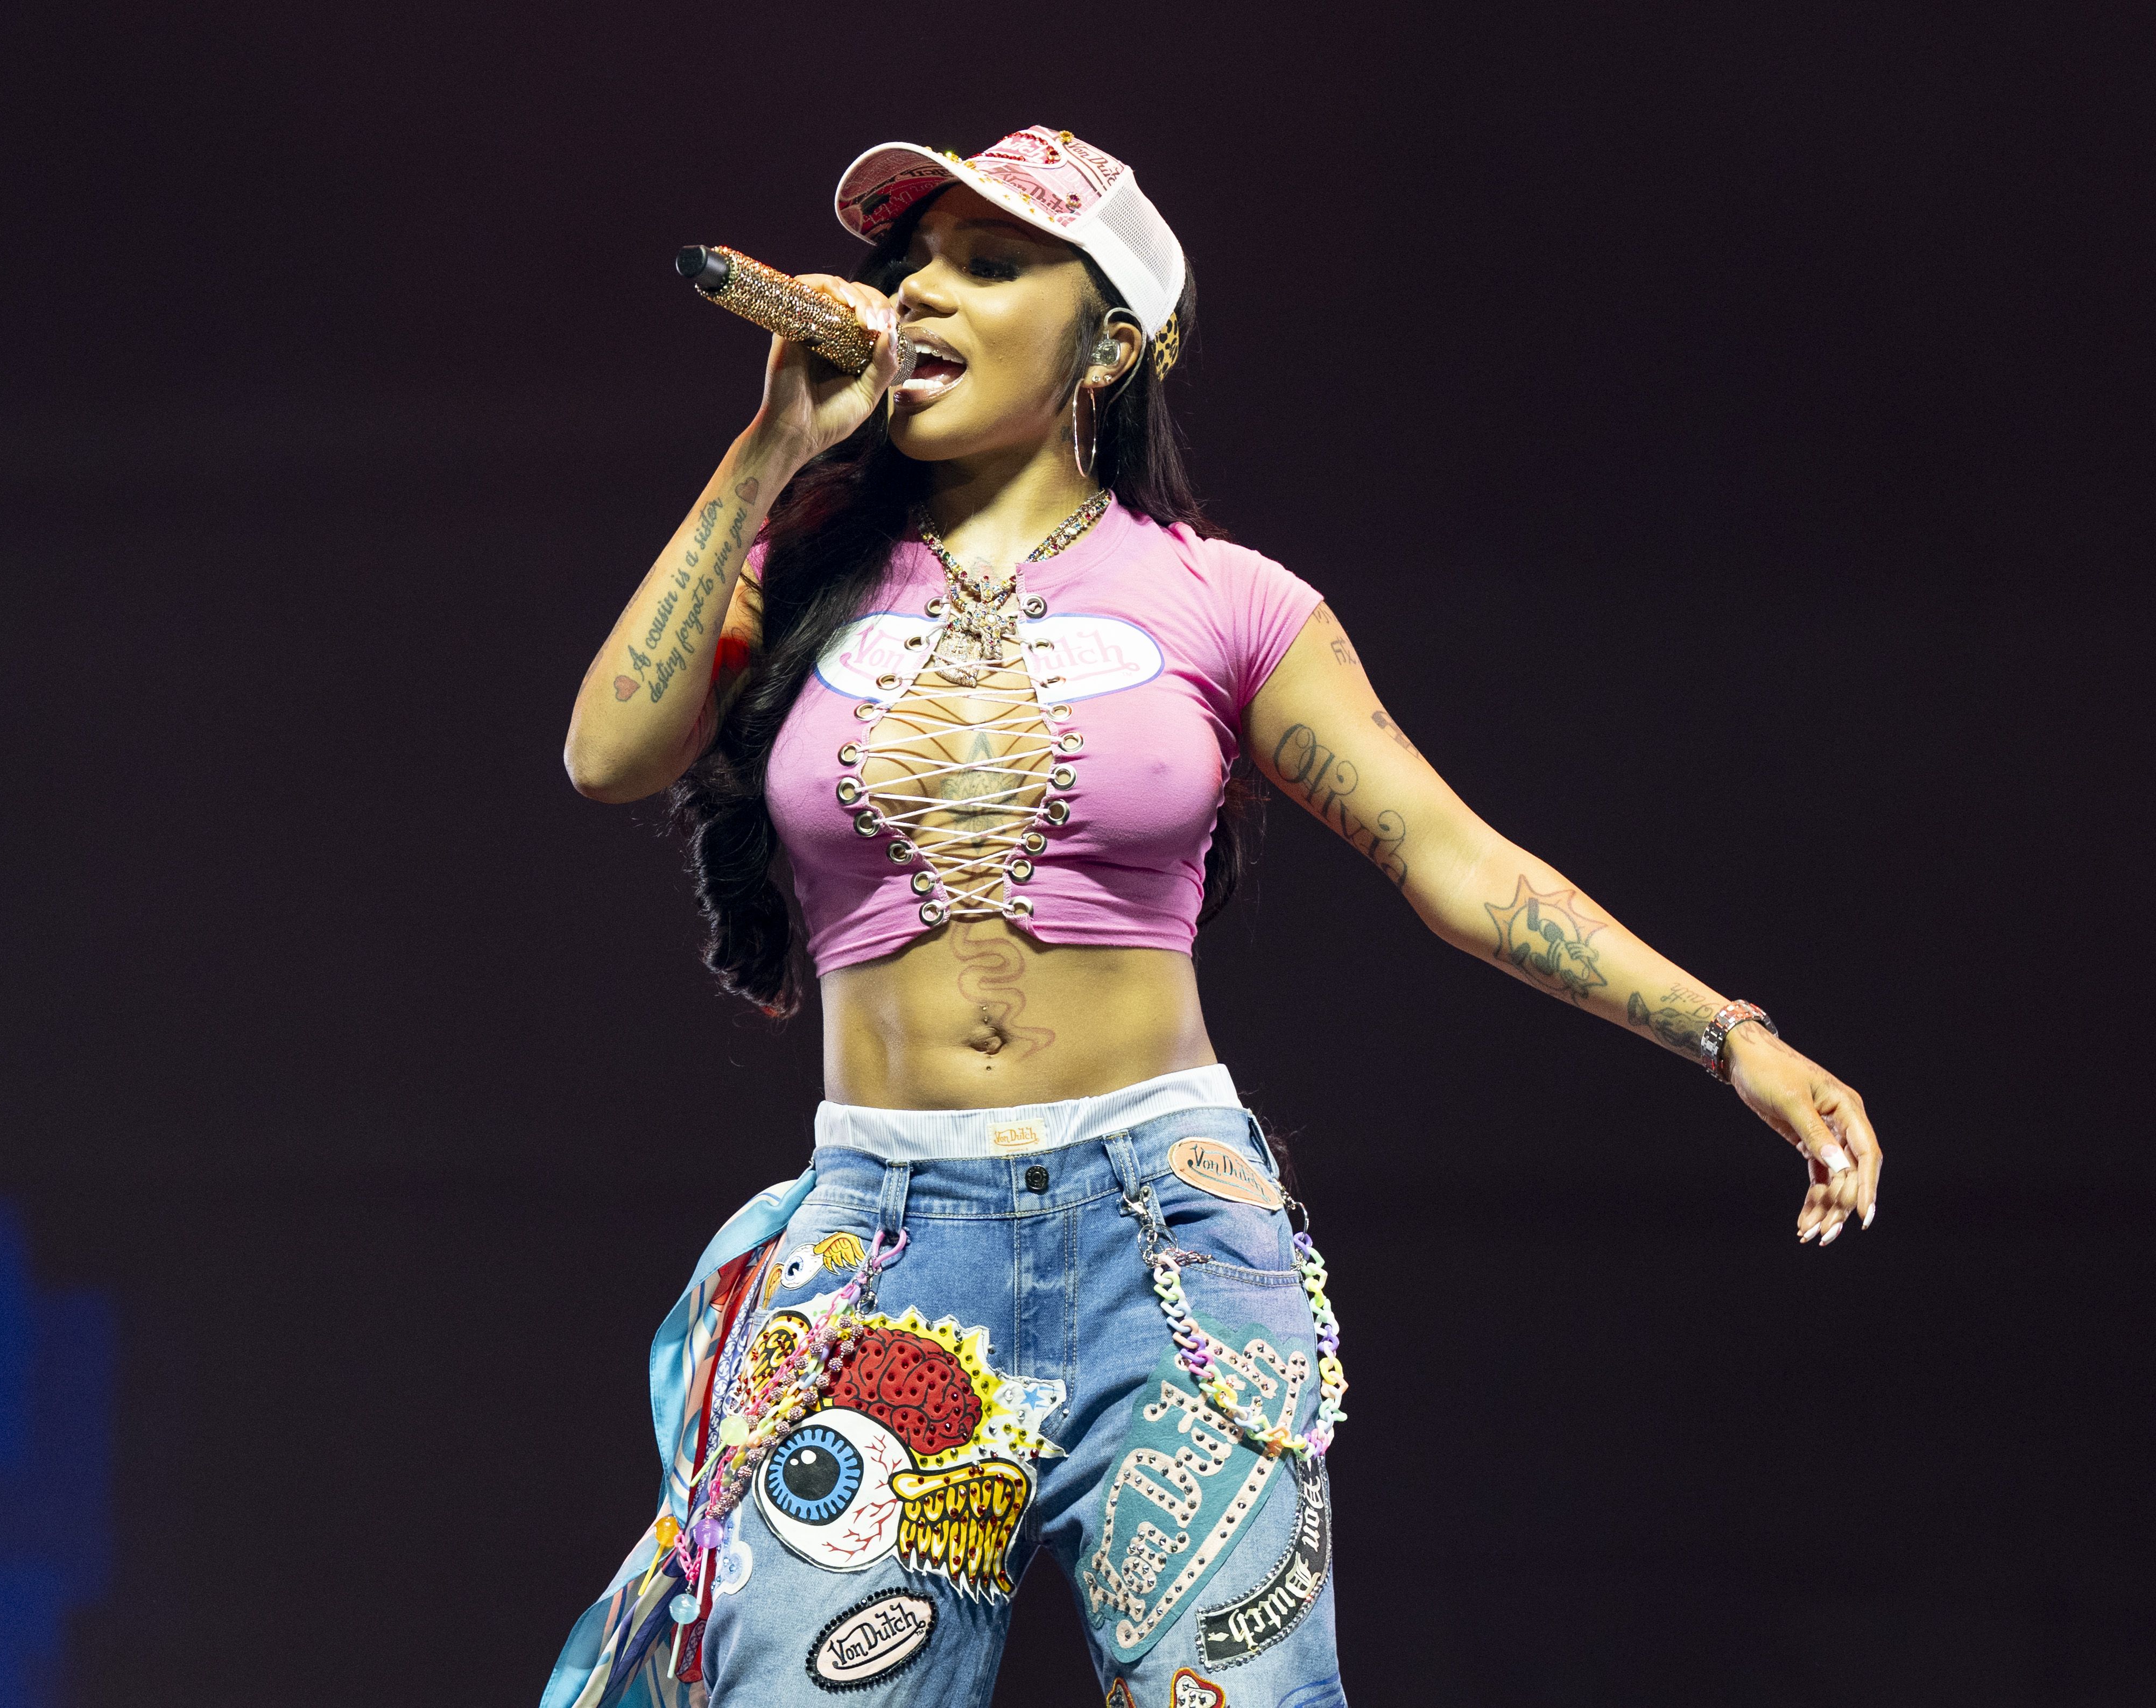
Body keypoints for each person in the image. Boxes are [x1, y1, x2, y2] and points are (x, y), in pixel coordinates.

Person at [541, 127, 1882, 1708]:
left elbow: (1456, 861)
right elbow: (606, 751)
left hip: (1164, 1243)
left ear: (1111, 341)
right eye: (915, 265)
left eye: (991, 265)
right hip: (881, 1252)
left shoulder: (1225, 601)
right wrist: (767, 453)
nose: (924, 297)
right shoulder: (802, 577)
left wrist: (1733, 1037)